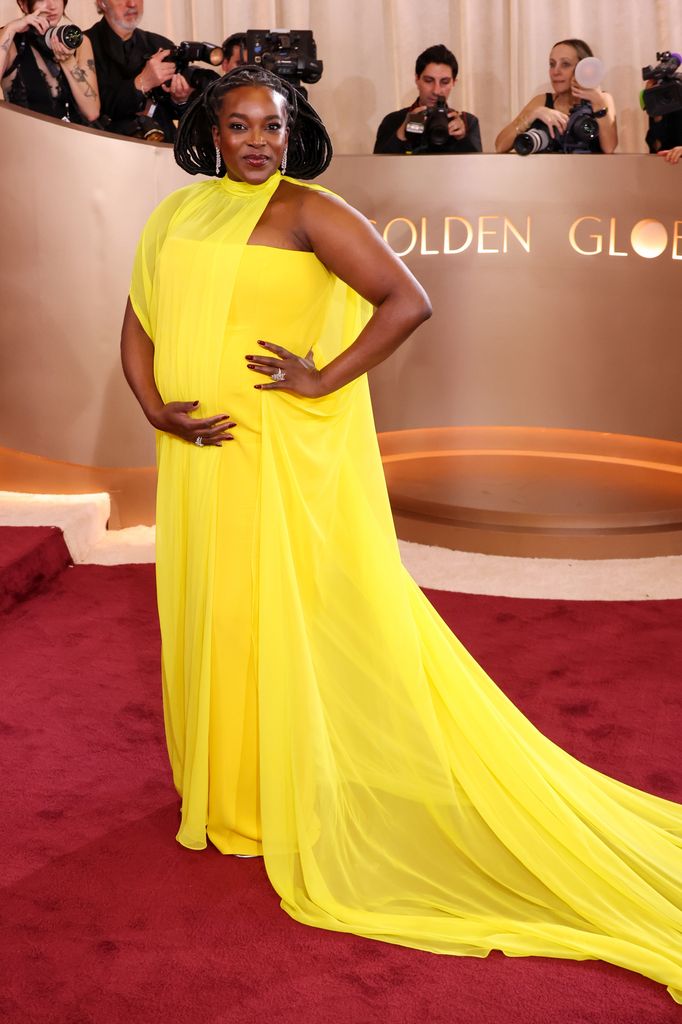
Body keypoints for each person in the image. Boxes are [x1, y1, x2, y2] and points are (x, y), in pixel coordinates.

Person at [121, 66, 682, 1004]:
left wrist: (321, 378)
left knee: (288, 611)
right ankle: (224, 790)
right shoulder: (176, 218)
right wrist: (156, 412)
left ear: (294, 131)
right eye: (238, 125)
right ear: (209, 133)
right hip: (197, 457)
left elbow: (407, 299)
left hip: (278, 456)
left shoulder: (313, 212)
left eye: (273, 125)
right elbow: (136, 324)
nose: (258, 140)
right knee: (210, 608)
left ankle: (284, 790)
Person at [86, 0, 193, 140]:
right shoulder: (84, 46)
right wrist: (143, 82)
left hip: (163, 148)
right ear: (102, 3)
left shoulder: (160, 45)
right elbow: (92, 110)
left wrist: (181, 98)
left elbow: (180, 113)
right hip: (107, 148)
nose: (132, 4)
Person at [495, 38, 617, 153]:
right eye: (552, 64)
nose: (555, 72)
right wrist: (532, 115)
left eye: (565, 64)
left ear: (584, 68)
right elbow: (500, 146)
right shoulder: (541, 101)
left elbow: (609, 148)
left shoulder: (602, 99)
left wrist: (598, 103)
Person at [0, 0, 99, 124]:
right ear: (23, 4)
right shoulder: (8, 40)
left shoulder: (79, 42)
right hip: (26, 138)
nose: (52, 6)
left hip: (75, 138)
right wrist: (11, 28)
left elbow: (92, 112)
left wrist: (68, 61)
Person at [373, 43, 482, 154]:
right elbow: (378, 168)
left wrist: (463, 139)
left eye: (445, 82)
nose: (436, 90)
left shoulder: (468, 122)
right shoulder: (394, 121)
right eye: (429, 81)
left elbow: (478, 168)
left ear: (454, 82)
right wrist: (401, 134)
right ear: (417, 79)